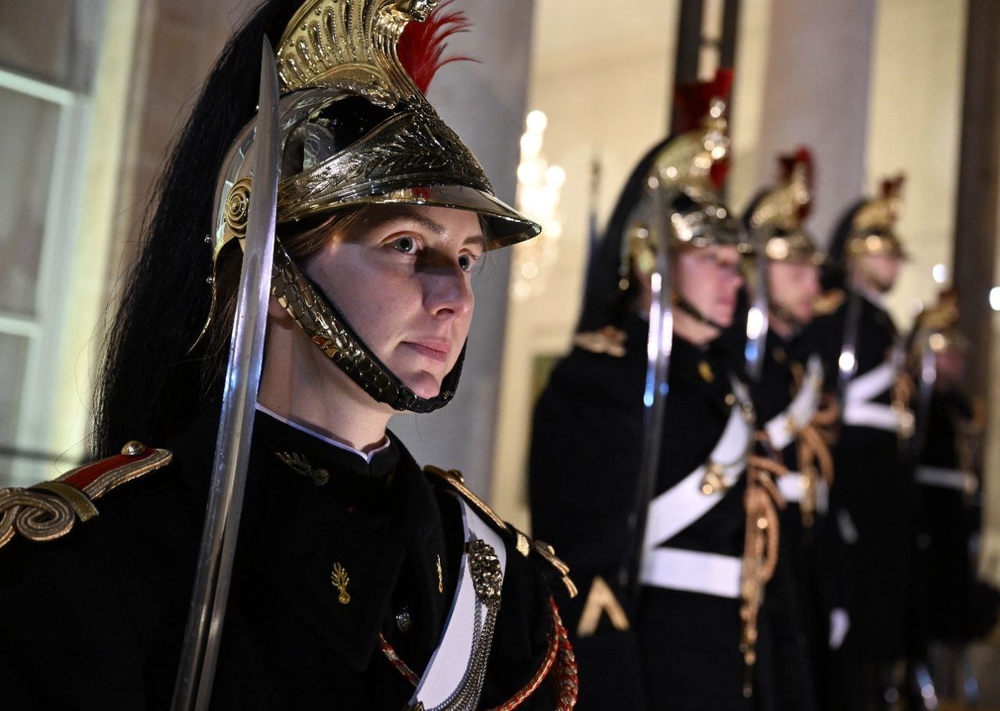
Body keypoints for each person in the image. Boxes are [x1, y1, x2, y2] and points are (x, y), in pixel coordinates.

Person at [0, 1, 577, 708]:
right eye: (405, 245)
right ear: (274, 280)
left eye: (465, 257)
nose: (454, 296)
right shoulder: (99, 559)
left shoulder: (501, 586)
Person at [530, 71, 792, 710]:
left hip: (734, 649)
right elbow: (586, 566)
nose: (736, 282)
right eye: (714, 263)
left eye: (736, 265)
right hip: (659, 657)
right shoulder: (598, 381)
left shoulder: (722, 381)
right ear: (653, 262)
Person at [802, 175, 917, 710]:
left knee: (881, 598)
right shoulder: (837, 314)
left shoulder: (881, 320)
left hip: (882, 474)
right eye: (883, 254)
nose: (894, 265)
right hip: (848, 466)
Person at [741, 148, 848, 709]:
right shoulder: (736, 361)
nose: (813, 283)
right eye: (796, 270)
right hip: (755, 559)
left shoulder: (802, 363)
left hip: (803, 559)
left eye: (814, 270)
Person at [908, 289, 997, 704]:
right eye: (949, 355)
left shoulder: (957, 405)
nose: (957, 363)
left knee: (957, 603)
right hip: (927, 518)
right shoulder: (920, 401)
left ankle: (952, 685)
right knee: (927, 603)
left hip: (955, 520)